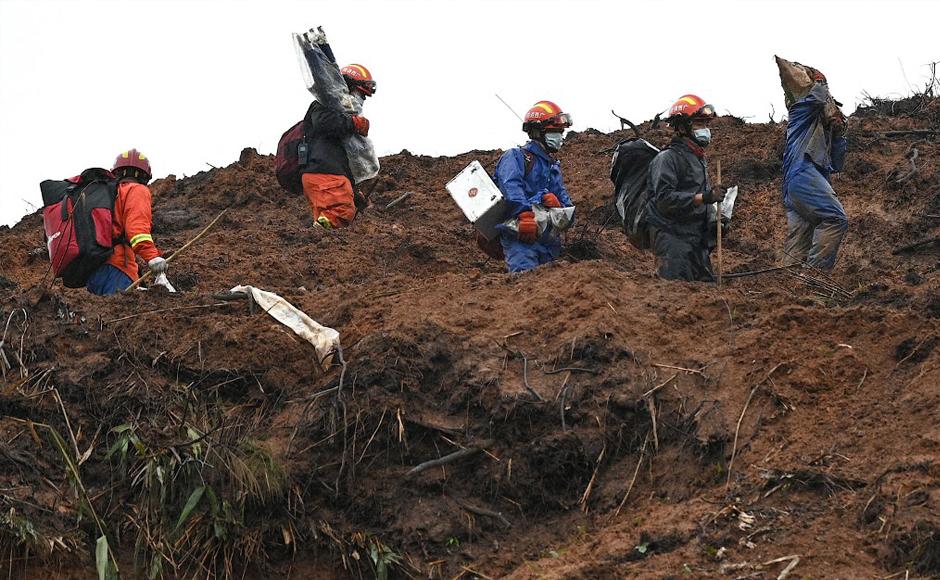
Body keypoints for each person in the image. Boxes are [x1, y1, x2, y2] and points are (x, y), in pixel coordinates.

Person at [645, 94, 724, 282]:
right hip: (672, 241)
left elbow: (700, 199)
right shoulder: (667, 159)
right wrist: (704, 198)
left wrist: (714, 219)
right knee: (676, 297)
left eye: (706, 124)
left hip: (696, 240)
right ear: (681, 127)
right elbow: (665, 200)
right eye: (698, 124)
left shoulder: (698, 158)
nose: (704, 130)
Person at [493, 100, 575, 273]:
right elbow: (511, 186)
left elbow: (567, 206)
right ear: (538, 131)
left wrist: (559, 206)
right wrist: (523, 213)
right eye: (555, 132)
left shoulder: (552, 167)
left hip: (550, 243)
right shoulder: (515, 157)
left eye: (561, 132)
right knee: (525, 285)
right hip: (521, 239)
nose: (560, 137)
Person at [781, 68, 848, 270]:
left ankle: (787, 289)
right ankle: (815, 278)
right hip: (802, 175)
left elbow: (837, 164)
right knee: (835, 219)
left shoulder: (821, 128)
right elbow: (817, 98)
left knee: (799, 240)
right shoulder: (799, 111)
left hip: (798, 186)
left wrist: (838, 133)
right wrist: (821, 83)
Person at [301, 64, 375, 229]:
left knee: (331, 225)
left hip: (326, 174)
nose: (362, 100)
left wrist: (355, 194)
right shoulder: (324, 102)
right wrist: (354, 123)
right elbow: (324, 122)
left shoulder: (338, 112)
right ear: (347, 87)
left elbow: (340, 157)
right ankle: (316, 238)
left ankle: (316, 248)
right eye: (361, 94)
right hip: (324, 173)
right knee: (340, 213)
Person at [85, 149, 165, 295]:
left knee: (102, 315)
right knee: (119, 311)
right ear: (144, 176)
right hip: (118, 267)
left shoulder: (108, 193)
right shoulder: (137, 190)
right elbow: (137, 230)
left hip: (93, 269)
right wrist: (152, 257)